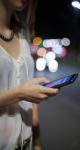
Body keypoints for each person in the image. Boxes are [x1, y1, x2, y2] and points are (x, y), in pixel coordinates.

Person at [0, 0, 59, 150]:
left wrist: (37, 141)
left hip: (26, 143)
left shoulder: (23, 35)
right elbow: (23, 91)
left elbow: (29, 87)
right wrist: (20, 93)